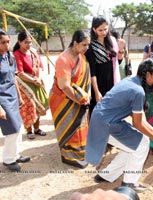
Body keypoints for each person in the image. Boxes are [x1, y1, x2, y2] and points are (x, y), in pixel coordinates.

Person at [85, 58, 153, 192]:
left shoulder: (129, 81)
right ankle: (129, 182)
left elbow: (139, 118)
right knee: (142, 144)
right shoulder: (138, 91)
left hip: (101, 120)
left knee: (132, 145)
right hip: (107, 124)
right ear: (147, 74)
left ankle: (106, 175)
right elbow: (137, 123)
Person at [49, 30, 91, 168]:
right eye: (84, 45)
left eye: (88, 45)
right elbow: (64, 86)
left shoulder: (81, 57)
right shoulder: (64, 59)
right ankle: (68, 157)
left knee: (80, 127)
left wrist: (85, 95)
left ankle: (80, 154)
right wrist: (79, 100)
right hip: (63, 100)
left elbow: (86, 78)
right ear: (75, 43)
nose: (86, 48)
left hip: (78, 97)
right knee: (69, 127)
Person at [0, 30, 30, 171]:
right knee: (11, 128)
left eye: (8, 41)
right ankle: (8, 159)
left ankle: (16, 154)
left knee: (18, 126)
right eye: (3, 42)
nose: (6, 45)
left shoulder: (9, 56)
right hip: (2, 99)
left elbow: (14, 78)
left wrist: (19, 96)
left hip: (12, 95)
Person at [13, 31, 49, 139]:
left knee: (38, 106)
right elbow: (20, 72)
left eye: (30, 42)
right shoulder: (17, 54)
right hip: (25, 85)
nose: (29, 45)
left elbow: (40, 67)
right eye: (26, 43)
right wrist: (33, 80)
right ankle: (29, 130)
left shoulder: (33, 52)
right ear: (19, 42)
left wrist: (38, 78)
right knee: (29, 108)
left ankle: (37, 128)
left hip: (36, 82)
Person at [85, 16, 120, 117]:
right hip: (98, 82)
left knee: (109, 110)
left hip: (110, 81)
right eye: (100, 30)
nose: (104, 32)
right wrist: (96, 91)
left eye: (105, 29)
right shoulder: (90, 46)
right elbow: (92, 72)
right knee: (97, 110)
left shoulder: (110, 42)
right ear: (94, 29)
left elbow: (116, 62)